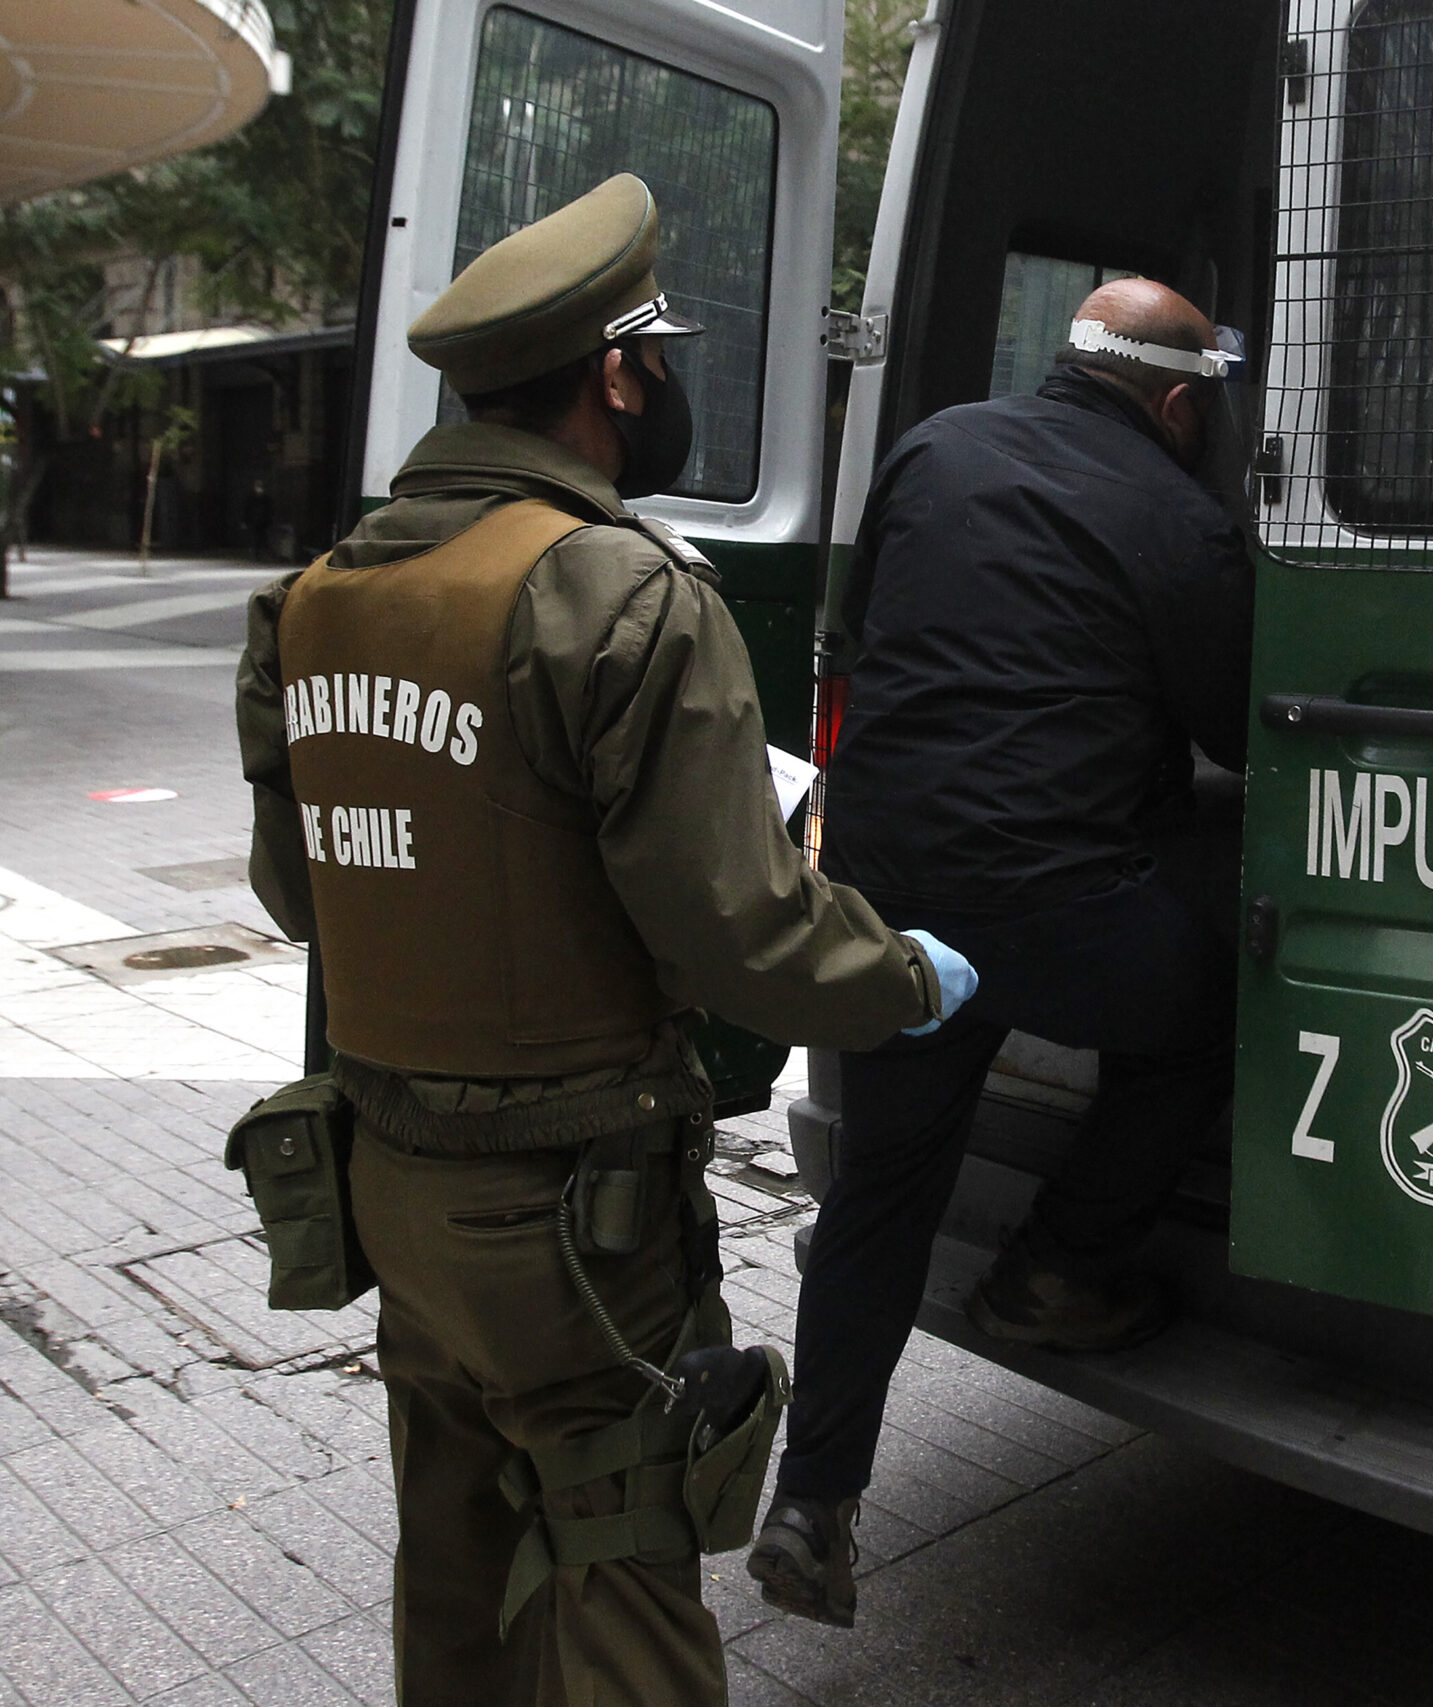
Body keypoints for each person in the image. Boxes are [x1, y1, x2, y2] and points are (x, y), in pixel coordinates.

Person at [234, 173, 978, 1706]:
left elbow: (305, 897)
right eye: (663, 361)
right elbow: (739, 932)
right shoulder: (617, 591)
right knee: (624, 1580)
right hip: (578, 1221)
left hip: (391, 1189)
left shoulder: (317, 597)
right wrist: (902, 977)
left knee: (456, 1584)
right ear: (619, 375)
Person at [748, 278, 1253, 1625]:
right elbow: (1239, 725)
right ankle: (1058, 1268)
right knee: (1207, 1010)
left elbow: (876, 635)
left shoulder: (934, 447)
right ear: (1181, 405)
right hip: (1052, 912)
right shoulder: (1179, 518)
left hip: (889, 905)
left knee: (881, 1191)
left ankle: (813, 1502)